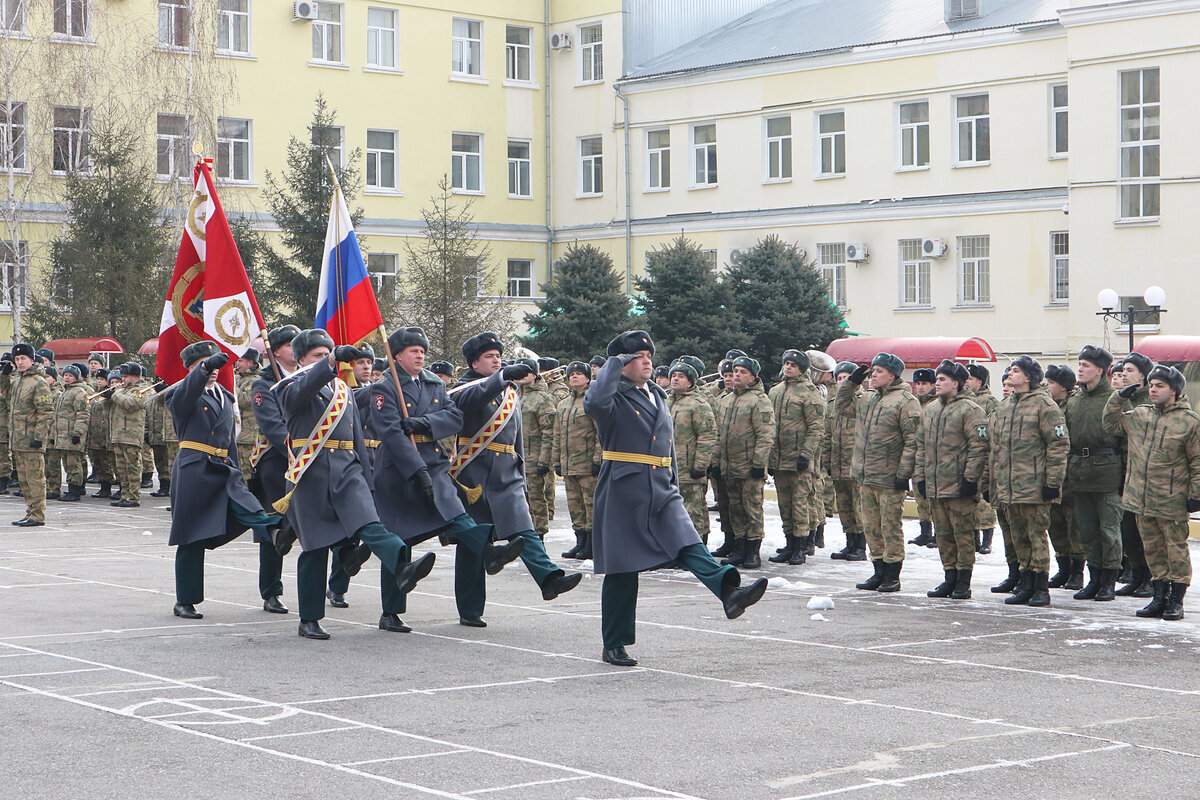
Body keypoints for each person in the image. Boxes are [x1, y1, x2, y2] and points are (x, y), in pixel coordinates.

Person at [585, 331, 768, 666]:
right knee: (623, 568)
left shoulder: (656, 393)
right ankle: (614, 642)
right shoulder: (613, 398)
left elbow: (666, 442)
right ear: (622, 364)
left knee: (688, 542)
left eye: (648, 355)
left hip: (661, 485)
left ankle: (729, 593)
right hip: (625, 487)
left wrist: (672, 480)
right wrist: (614, 361)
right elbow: (595, 402)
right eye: (637, 356)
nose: (646, 360)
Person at [274, 329, 438, 639]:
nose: (325, 361)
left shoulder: (343, 390)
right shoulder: (288, 387)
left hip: (348, 471)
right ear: (301, 360)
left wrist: (366, 474)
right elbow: (303, 391)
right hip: (311, 472)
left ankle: (402, 567)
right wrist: (332, 361)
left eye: (327, 354)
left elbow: (357, 437)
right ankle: (309, 617)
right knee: (316, 546)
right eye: (318, 357)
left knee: (372, 525)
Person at [369, 327, 523, 632]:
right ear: (397, 355)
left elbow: (454, 418)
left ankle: (489, 552)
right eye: (413, 350)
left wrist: (425, 424)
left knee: (457, 515)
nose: (420, 354)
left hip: (435, 464)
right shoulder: (386, 387)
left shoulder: (432, 383)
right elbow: (390, 432)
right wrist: (416, 470)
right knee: (401, 540)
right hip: (399, 468)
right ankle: (391, 611)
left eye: (422, 350)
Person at [451, 333, 582, 625]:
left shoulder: (507, 391)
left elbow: (517, 438)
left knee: (526, 530)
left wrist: (520, 475)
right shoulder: (466, 388)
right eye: (489, 356)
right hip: (475, 473)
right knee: (475, 542)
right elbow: (473, 398)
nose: (497, 360)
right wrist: (502, 377)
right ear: (474, 362)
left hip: (506, 473)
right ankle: (470, 610)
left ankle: (549, 579)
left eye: (498, 355)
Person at [167, 342, 283, 620]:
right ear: (191, 368)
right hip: (195, 468)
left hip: (224, 467)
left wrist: (238, 469)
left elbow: (229, 437)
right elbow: (188, 392)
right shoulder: (179, 394)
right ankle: (186, 600)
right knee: (191, 535)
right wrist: (204, 369)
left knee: (253, 509)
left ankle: (277, 536)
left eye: (216, 363)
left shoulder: (226, 397)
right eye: (205, 364)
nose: (214, 369)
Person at [1103, 364, 1199, 620]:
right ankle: (1159, 597)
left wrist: (1196, 495)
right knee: (1153, 550)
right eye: (1152, 385)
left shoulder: (1189, 422)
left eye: (1160, 386)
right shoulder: (1141, 414)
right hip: (1140, 498)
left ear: (1175, 390)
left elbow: (1198, 461)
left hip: (1171, 499)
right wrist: (1119, 397)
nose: (1154, 390)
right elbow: (1111, 424)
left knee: (1175, 550)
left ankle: (1176, 600)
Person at [985, 356, 1068, 606]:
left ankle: (1041, 587)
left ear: (1029, 377)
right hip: (1009, 485)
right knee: (1018, 537)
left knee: (1036, 536)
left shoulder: (1045, 405)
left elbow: (1058, 445)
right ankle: (1026, 582)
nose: (1010, 373)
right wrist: (991, 483)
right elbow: (996, 448)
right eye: (1010, 369)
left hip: (1034, 484)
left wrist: (1052, 482)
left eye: (1016, 370)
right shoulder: (1005, 406)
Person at [835, 354, 921, 592]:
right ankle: (878, 571)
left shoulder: (906, 401)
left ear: (892, 376)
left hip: (889, 477)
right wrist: (851, 383)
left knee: (889, 526)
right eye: (872, 370)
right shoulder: (867, 398)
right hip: (866, 475)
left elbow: (913, 441)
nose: (873, 375)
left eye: (879, 371)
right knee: (871, 526)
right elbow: (841, 406)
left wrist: (904, 474)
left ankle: (892, 575)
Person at [914, 361, 987, 599]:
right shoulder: (930, 409)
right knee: (943, 535)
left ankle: (963, 581)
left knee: (962, 535)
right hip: (936, 484)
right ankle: (949, 577)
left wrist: (970, 479)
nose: (937, 383)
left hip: (959, 486)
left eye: (942, 379)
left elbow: (979, 447)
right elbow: (921, 446)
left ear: (956, 383)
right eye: (937, 379)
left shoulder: (970, 409)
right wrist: (921, 477)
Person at [248, 324, 301, 614]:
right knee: (274, 527)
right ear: (276, 350)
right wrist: (298, 451)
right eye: (291, 344)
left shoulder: (307, 376)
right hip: (277, 459)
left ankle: (337, 577)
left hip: (310, 457)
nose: (296, 349)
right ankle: (271, 591)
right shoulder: (264, 382)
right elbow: (272, 424)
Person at [1065, 345, 1123, 602]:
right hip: (1080, 472)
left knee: (1109, 531)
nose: (1080, 368)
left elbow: (1124, 440)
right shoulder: (1075, 400)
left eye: (1086, 365)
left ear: (1100, 370)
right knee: (1086, 531)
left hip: (1107, 472)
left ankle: (1109, 581)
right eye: (1080, 364)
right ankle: (1094, 578)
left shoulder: (1115, 399)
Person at [714, 355, 776, 569]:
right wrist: (717, 461)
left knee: (752, 509)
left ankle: (752, 551)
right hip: (730, 466)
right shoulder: (726, 399)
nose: (737, 375)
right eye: (735, 371)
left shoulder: (759, 400)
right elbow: (718, 434)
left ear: (752, 377)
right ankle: (739, 548)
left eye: (742, 372)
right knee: (735, 508)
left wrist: (759, 463)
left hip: (749, 466)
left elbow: (765, 434)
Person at [768, 349, 825, 565]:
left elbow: (816, 427)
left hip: (799, 459)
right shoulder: (775, 391)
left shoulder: (809, 393)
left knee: (800, 504)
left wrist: (806, 454)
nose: (788, 367)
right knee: (784, 505)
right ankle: (789, 543)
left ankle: (801, 547)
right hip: (780, 459)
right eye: (786, 363)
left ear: (802, 369)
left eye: (793, 364)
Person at [1114, 353, 1155, 598]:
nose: (1124, 374)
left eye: (1130, 370)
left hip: (1145, 474)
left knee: (1146, 531)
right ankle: (1137, 574)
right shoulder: (1122, 397)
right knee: (1127, 529)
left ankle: (1151, 578)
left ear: (1142, 375)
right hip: (1122, 469)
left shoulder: (1148, 400)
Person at [666, 359, 716, 547]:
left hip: (689, 468)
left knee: (694, 511)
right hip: (669, 468)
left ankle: (697, 550)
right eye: (673, 376)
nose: (675, 379)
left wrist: (700, 465)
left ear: (690, 382)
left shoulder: (698, 404)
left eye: (681, 376)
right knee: (672, 513)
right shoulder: (666, 402)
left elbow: (707, 435)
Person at [1044, 364, 1085, 590]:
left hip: (1071, 474)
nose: (1046, 386)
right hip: (1051, 474)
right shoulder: (1047, 406)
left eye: (1050, 383)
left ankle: (1077, 572)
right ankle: (1064, 568)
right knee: (1055, 524)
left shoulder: (1075, 405)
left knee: (1074, 525)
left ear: (1063, 387)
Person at [5, 344, 53, 526]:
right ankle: (30, 511)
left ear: (32, 360)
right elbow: (6, 396)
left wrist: (39, 437)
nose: (20, 362)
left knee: (35, 478)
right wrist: (4, 376)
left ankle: (38, 514)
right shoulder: (17, 381)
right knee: (24, 479)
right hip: (18, 439)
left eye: (23, 359)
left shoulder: (38, 382)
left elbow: (46, 411)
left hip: (32, 438)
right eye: (17, 359)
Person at [825, 361, 865, 560]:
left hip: (855, 463)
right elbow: (826, 435)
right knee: (844, 506)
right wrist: (827, 461)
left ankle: (861, 545)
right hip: (838, 463)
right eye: (839, 378)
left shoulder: (863, 400)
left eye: (846, 378)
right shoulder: (832, 404)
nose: (842, 381)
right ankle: (850, 542)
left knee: (858, 506)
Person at [515, 357, 556, 540]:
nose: (522, 376)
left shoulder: (542, 398)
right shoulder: (514, 395)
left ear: (534, 374)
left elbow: (549, 432)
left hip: (533, 458)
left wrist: (544, 460)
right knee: (518, 501)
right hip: (515, 457)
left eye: (526, 372)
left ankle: (539, 537)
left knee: (536, 500)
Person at [965, 364, 1000, 555]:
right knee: (970, 502)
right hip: (970, 457)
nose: (966, 382)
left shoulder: (989, 401)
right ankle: (974, 538)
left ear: (979, 381)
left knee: (985, 503)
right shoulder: (964, 401)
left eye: (970, 379)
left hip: (986, 456)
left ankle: (987, 540)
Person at [103, 363, 149, 508]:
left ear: (135, 377)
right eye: (122, 376)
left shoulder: (140, 390)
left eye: (126, 376)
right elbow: (108, 408)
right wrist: (108, 397)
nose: (123, 379)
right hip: (118, 434)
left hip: (131, 434)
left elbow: (131, 404)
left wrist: (115, 394)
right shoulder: (122, 391)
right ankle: (125, 494)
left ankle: (134, 497)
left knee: (132, 467)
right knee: (121, 467)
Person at [707, 358, 738, 558]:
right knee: (724, 506)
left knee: (739, 506)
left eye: (731, 375)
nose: (728, 379)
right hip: (720, 457)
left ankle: (743, 544)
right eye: (725, 376)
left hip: (738, 459)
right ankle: (729, 541)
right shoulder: (720, 398)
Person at [47, 364, 90, 502]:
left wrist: (77, 433)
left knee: (74, 464)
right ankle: (69, 489)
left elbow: (83, 414)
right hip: (62, 436)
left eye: (70, 376)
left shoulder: (79, 392)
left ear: (76, 378)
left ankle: (75, 490)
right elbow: (57, 417)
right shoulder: (64, 392)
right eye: (65, 375)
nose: (67, 378)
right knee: (67, 464)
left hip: (72, 435)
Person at [908, 368, 938, 548]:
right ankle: (925, 532)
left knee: (933, 496)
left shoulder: (936, 403)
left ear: (933, 385)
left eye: (924, 384)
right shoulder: (914, 403)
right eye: (917, 384)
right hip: (917, 455)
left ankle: (937, 532)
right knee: (920, 495)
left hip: (932, 456)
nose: (920, 387)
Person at [234, 347, 262, 486]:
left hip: (249, 436)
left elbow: (244, 400)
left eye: (240, 361)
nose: (237, 364)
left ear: (250, 363)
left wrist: (230, 385)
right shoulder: (238, 378)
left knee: (248, 475)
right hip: (237, 436)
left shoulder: (256, 380)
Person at [87, 370, 116, 499]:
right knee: (98, 462)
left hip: (106, 433)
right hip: (95, 433)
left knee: (107, 462)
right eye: (98, 379)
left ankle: (108, 486)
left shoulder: (111, 395)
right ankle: (103, 486)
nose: (99, 381)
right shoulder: (96, 394)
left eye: (102, 379)